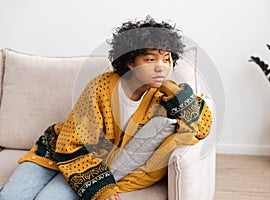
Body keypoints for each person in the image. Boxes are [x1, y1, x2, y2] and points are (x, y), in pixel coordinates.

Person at [0, 16, 212, 200]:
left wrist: (174, 90)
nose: (162, 66)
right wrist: (101, 190)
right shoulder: (101, 87)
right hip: (58, 151)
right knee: (11, 196)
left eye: (167, 59)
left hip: (93, 165)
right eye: (150, 59)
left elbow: (202, 126)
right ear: (130, 62)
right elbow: (71, 142)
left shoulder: (164, 95)